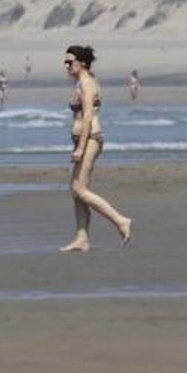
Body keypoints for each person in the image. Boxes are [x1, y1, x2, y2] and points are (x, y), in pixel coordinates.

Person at [60, 45, 132, 252]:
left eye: (70, 62)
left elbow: (89, 117)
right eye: (65, 62)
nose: (66, 66)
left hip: (90, 139)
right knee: (76, 191)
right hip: (84, 139)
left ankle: (120, 221)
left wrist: (81, 147)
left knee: (79, 189)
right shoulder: (80, 83)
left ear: (82, 63)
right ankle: (82, 238)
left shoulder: (86, 83)